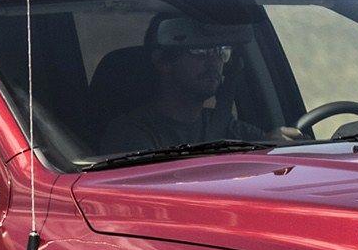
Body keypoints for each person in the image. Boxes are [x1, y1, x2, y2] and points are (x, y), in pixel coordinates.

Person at [100, 14, 288, 155]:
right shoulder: (131, 134)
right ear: (162, 62)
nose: (214, 61)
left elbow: (268, 147)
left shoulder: (226, 125)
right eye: (200, 50)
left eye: (220, 50)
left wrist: (276, 142)